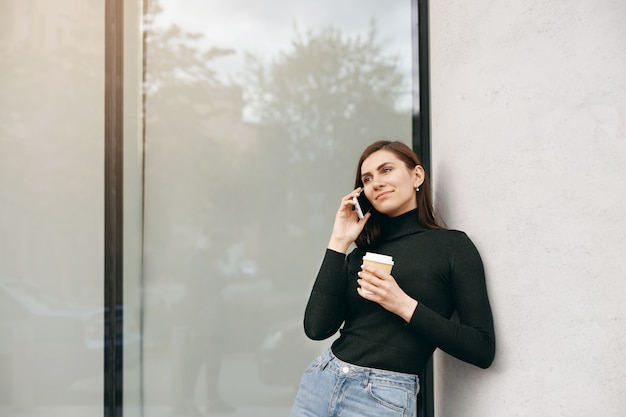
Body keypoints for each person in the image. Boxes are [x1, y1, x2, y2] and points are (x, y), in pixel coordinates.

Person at [290, 140, 495, 417]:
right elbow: (316, 328)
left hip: (382, 397)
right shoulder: (360, 254)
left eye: (386, 170)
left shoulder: (452, 247)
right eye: (367, 178)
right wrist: (339, 241)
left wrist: (402, 305)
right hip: (321, 382)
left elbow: (482, 349)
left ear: (417, 176)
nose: (376, 182)